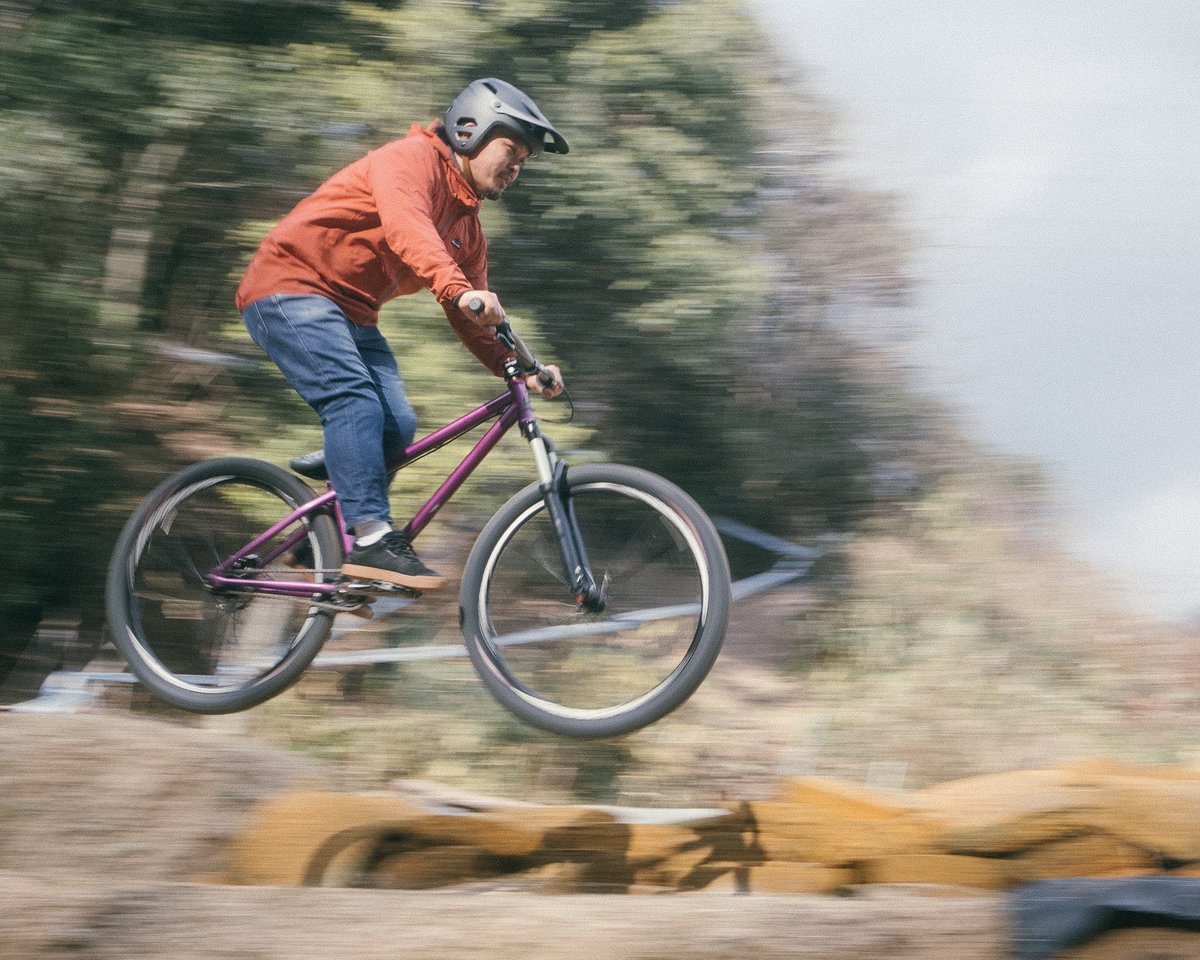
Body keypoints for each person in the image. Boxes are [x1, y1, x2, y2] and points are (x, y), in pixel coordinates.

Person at [237, 78, 567, 591]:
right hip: (289, 288)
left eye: (524, 160)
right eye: (511, 151)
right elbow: (407, 226)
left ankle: (324, 542)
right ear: (470, 131)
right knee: (355, 402)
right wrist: (458, 290)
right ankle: (371, 539)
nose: (516, 167)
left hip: (353, 313)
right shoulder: (410, 160)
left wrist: (523, 368)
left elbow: (473, 316)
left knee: (397, 424)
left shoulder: (467, 229)